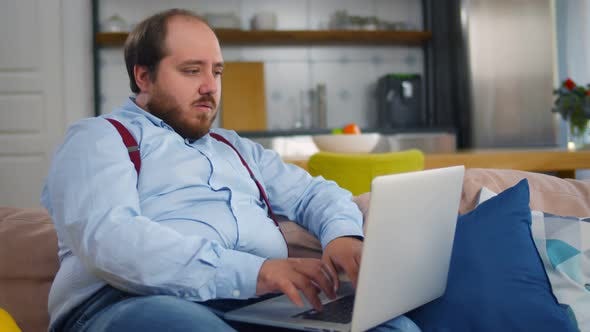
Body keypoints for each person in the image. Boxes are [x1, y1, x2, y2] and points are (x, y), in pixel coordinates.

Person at [42, 8, 420, 332]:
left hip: (250, 306)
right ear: (144, 76)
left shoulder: (234, 147)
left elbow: (313, 193)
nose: (210, 87)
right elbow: (111, 240)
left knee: (395, 327)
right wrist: (259, 272)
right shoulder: (99, 138)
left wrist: (343, 234)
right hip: (130, 303)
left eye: (217, 72)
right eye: (192, 70)